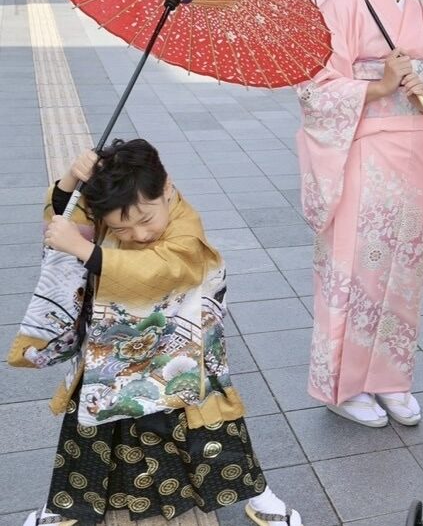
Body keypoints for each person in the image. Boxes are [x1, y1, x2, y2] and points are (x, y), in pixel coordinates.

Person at [15, 140, 301, 526]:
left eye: (146, 219)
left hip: (181, 348)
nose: (138, 233)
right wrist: (71, 178)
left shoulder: (186, 225)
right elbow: (69, 218)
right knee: (94, 420)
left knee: (208, 427)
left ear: (166, 189)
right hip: (116, 346)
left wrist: (84, 251)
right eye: (120, 227)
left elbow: (161, 269)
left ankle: (260, 496)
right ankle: (67, 506)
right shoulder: (124, 203)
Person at [296, 0, 423, 429]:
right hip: (361, 152)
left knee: (405, 273)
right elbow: (315, 87)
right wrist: (378, 87)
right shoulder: (343, 5)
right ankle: (344, 384)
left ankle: (390, 379)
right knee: (355, 269)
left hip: (414, 148)